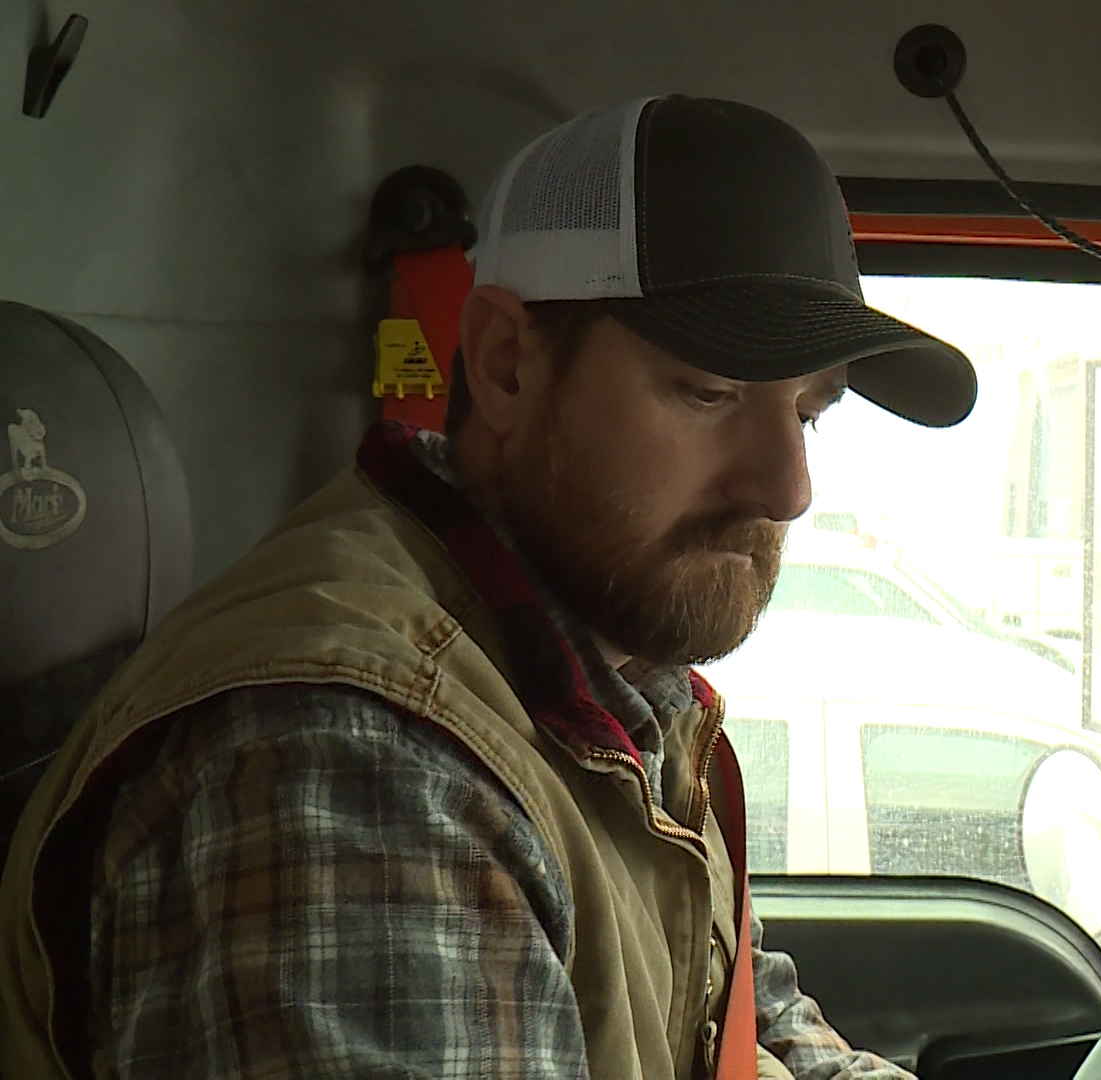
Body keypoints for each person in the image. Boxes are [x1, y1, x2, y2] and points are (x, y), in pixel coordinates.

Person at [0, 95, 977, 1079]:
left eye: (807, 413)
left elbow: (739, 1029)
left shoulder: (614, 687)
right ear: (508, 364)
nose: (788, 488)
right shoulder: (352, 760)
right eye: (709, 392)